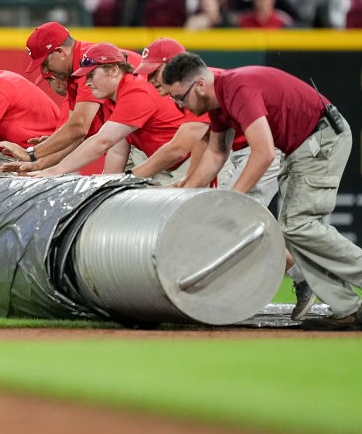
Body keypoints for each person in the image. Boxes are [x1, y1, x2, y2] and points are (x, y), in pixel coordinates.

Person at [162, 53, 362, 330]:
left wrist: (234, 200)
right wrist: (187, 192)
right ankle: (345, 307)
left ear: (200, 85)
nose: (179, 106)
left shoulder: (237, 89)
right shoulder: (219, 100)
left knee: (298, 224)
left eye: (180, 97)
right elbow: (216, 154)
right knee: (292, 228)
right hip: (302, 145)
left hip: (321, 138)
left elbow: (262, 154)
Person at [134, 39, 314, 320]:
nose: (149, 78)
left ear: (172, 65)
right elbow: (207, 143)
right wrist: (191, 183)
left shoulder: (199, 85)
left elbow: (186, 143)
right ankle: (301, 275)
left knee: (228, 222)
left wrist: (191, 187)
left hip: (256, 152)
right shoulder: (189, 88)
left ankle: (302, 277)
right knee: (233, 224)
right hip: (240, 152)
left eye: (153, 71)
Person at [19, 43, 201, 185]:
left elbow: (101, 141)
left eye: (91, 76)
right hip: (167, 164)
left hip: (194, 161)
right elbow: (116, 150)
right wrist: (104, 185)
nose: (87, 83)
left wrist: (52, 170)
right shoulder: (111, 99)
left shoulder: (136, 90)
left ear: (114, 70)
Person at [1, 22, 140, 175]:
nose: (45, 70)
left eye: (45, 63)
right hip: (131, 138)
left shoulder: (90, 63)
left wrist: (33, 153)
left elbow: (79, 128)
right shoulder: (76, 74)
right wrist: (39, 164)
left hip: (152, 133)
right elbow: (78, 135)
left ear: (60, 52)